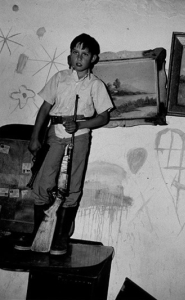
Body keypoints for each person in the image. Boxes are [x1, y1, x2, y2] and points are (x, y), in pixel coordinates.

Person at [14, 33, 114, 255]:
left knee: (72, 185)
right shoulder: (59, 78)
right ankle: (38, 232)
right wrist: (34, 137)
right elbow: (44, 110)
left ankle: (60, 237)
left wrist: (80, 125)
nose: (79, 58)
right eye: (75, 52)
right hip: (54, 134)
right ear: (70, 55)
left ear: (94, 59)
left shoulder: (96, 85)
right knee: (42, 182)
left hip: (79, 137)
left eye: (85, 54)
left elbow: (104, 117)